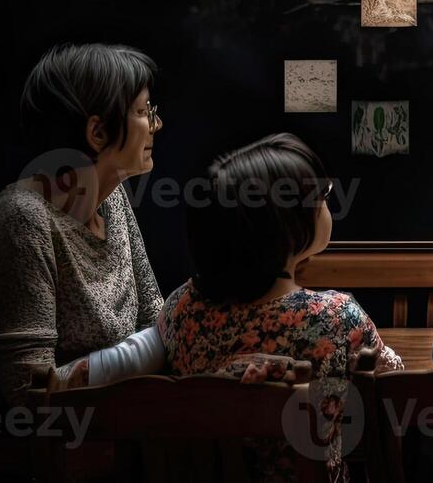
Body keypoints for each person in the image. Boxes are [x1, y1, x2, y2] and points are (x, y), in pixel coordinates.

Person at [158, 133, 402, 483]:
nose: (328, 206)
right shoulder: (334, 316)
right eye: (323, 197)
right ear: (286, 227)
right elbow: (391, 383)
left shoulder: (180, 310)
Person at [0, 43, 165, 404]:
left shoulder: (114, 199)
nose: (156, 124)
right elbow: (30, 388)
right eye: (142, 111)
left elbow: (156, 319)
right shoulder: (24, 222)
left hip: (122, 421)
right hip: (59, 446)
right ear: (98, 133)